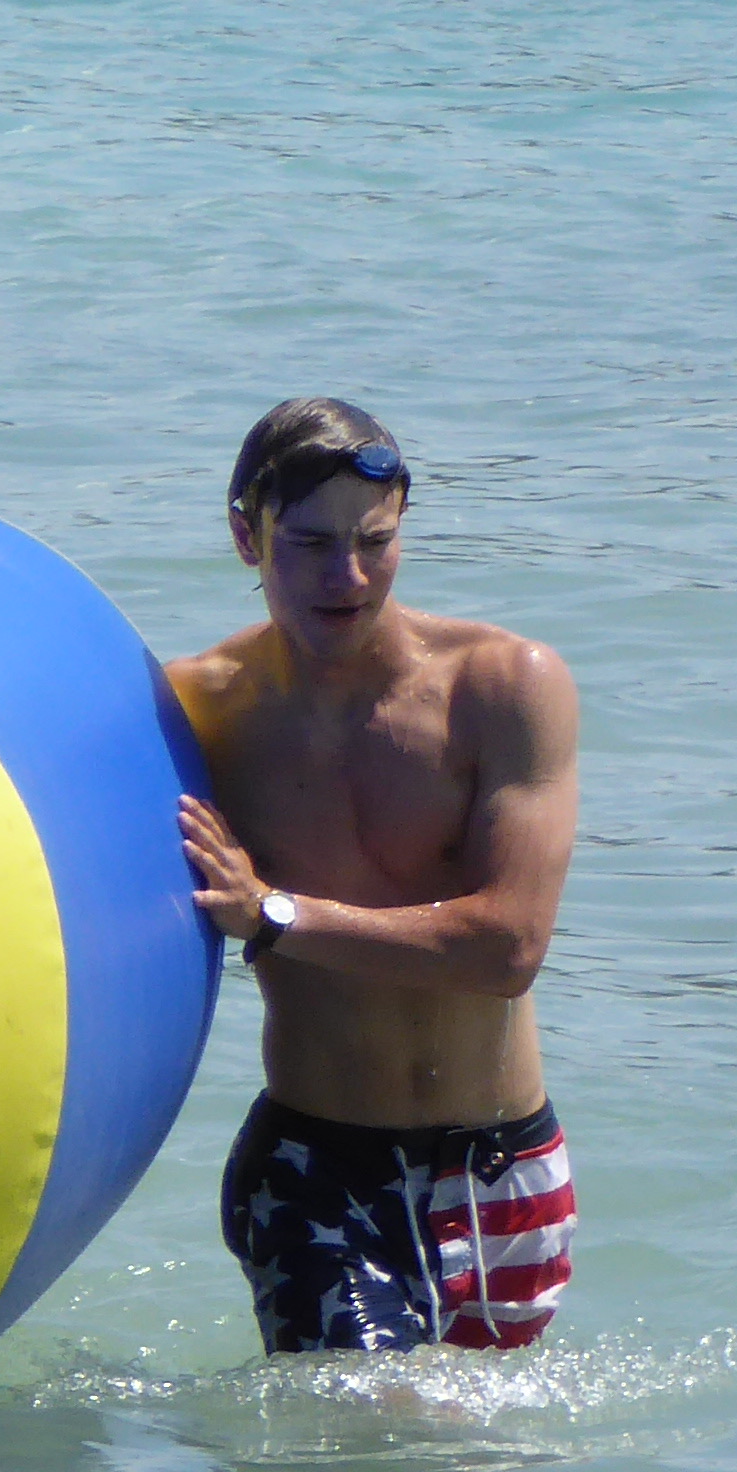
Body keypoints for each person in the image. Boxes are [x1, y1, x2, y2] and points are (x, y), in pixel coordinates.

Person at [172, 398, 582, 1355]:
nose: (345, 576)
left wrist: (270, 912)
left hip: (508, 1168)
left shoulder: (505, 689)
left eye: (375, 541)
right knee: (367, 1451)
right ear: (246, 536)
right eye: (309, 543)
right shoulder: (200, 711)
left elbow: (508, 949)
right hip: (317, 1167)